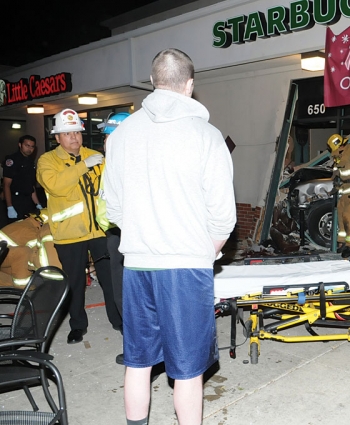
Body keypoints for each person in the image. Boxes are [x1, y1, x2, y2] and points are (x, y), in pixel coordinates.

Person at [104, 48, 236, 425]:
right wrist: (205, 249)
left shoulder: (123, 134)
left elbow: (112, 207)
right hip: (185, 265)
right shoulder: (206, 136)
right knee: (188, 369)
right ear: (190, 85)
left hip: (138, 264)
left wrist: (143, 236)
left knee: (138, 361)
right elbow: (223, 215)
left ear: (152, 81)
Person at [36, 108, 121, 344]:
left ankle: (118, 320)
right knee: (74, 282)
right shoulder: (47, 161)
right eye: (67, 133)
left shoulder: (95, 155)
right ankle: (77, 325)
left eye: (77, 132)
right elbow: (55, 186)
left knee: (110, 279)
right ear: (57, 138)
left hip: (98, 230)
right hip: (69, 233)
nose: (74, 137)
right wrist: (83, 166)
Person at [96, 112, 130, 364]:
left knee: (126, 293)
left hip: (123, 233)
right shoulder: (115, 161)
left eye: (109, 135)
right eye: (106, 136)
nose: (106, 141)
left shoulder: (123, 163)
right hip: (115, 232)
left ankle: (136, 348)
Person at [3, 135, 42, 222]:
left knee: (30, 228)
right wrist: (10, 206)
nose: (30, 149)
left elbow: (31, 186)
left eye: (32, 147)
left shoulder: (30, 162)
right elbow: (6, 185)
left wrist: (38, 204)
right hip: (16, 200)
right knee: (16, 230)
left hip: (28, 201)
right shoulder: (12, 160)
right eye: (27, 145)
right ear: (20, 145)